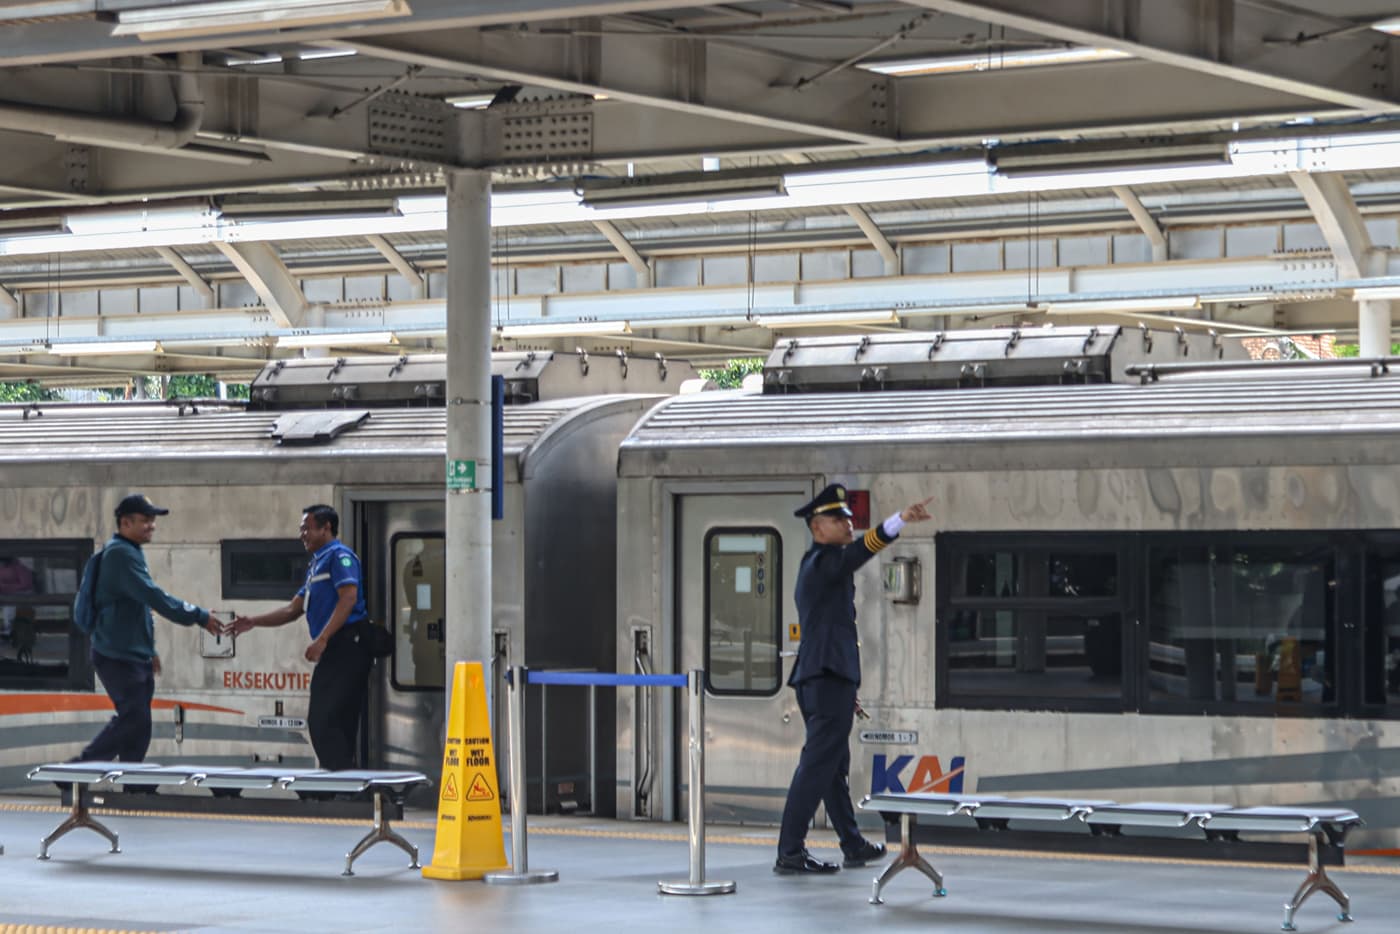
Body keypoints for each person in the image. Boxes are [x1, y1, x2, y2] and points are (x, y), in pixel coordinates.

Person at [775, 483, 934, 875]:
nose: (847, 524)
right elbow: (859, 553)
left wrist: (845, 689)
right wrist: (898, 521)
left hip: (827, 679)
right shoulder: (825, 562)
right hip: (826, 679)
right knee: (817, 768)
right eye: (837, 519)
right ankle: (790, 853)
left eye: (848, 518)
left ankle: (852, 844)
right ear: (817, 528)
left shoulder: (818, 565)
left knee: (831, 768)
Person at [80, 494, 223, 762]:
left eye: (152, 521)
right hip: (116, 654)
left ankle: (133, 784)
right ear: (125, 523)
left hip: (132, 654)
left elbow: (139, 608)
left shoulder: (130, 552)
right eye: (146, 521)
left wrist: (149, 649)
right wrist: (199, 616)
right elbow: (154, 596)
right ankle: (78, 770)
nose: (152, 526)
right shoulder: (120, 555)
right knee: (133, 718)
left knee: (139, 725)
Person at [231, 504, 373, 770]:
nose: (302, 534)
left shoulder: (340, 557)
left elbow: (349, 598)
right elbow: (292, 609)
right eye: (301, 529)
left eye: (307, 528)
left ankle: (344, 784)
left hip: (347, 645)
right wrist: (253, 622)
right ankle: (343, 782)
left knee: (325, 720)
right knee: (328, 720)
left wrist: (323, 639)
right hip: (334, 648)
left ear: (326, 528)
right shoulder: (316, 564)